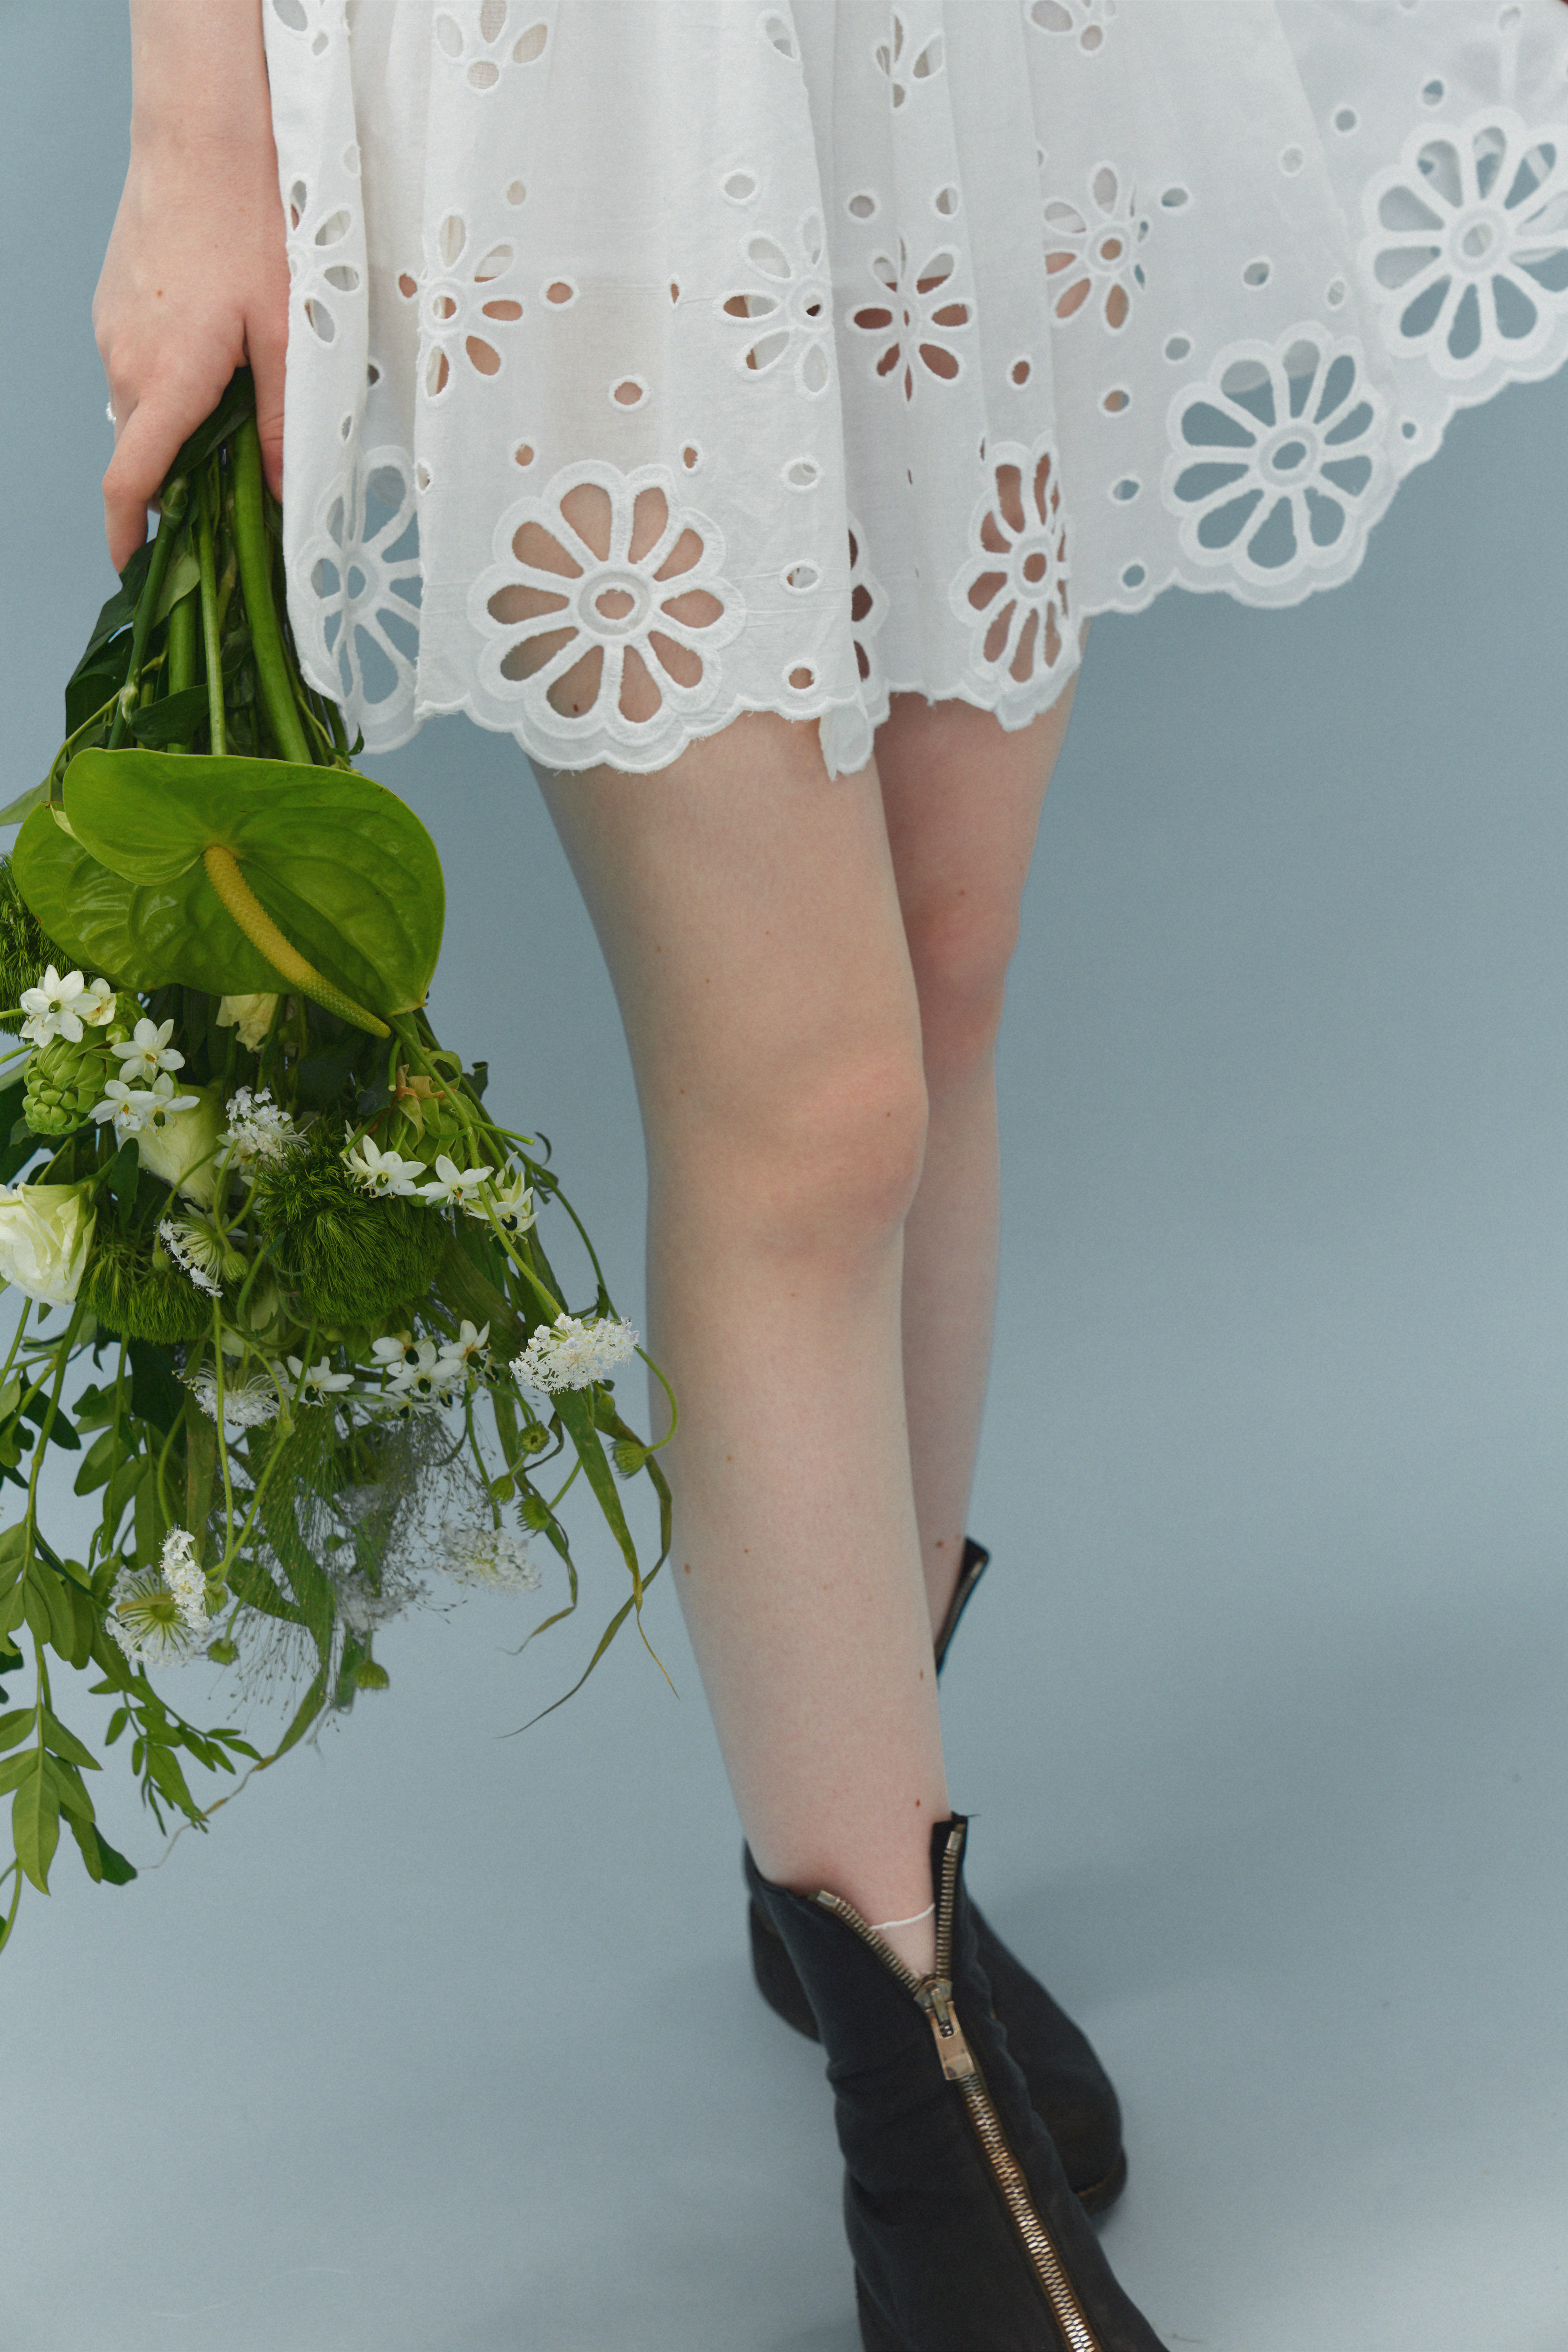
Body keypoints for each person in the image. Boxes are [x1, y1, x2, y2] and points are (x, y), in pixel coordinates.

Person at [94, 5, 1568, 2344]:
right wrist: (198, 135)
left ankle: (870, 1855)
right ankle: (910, 2060)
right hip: (585, 72)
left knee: (948, 965)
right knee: (809, 1103)